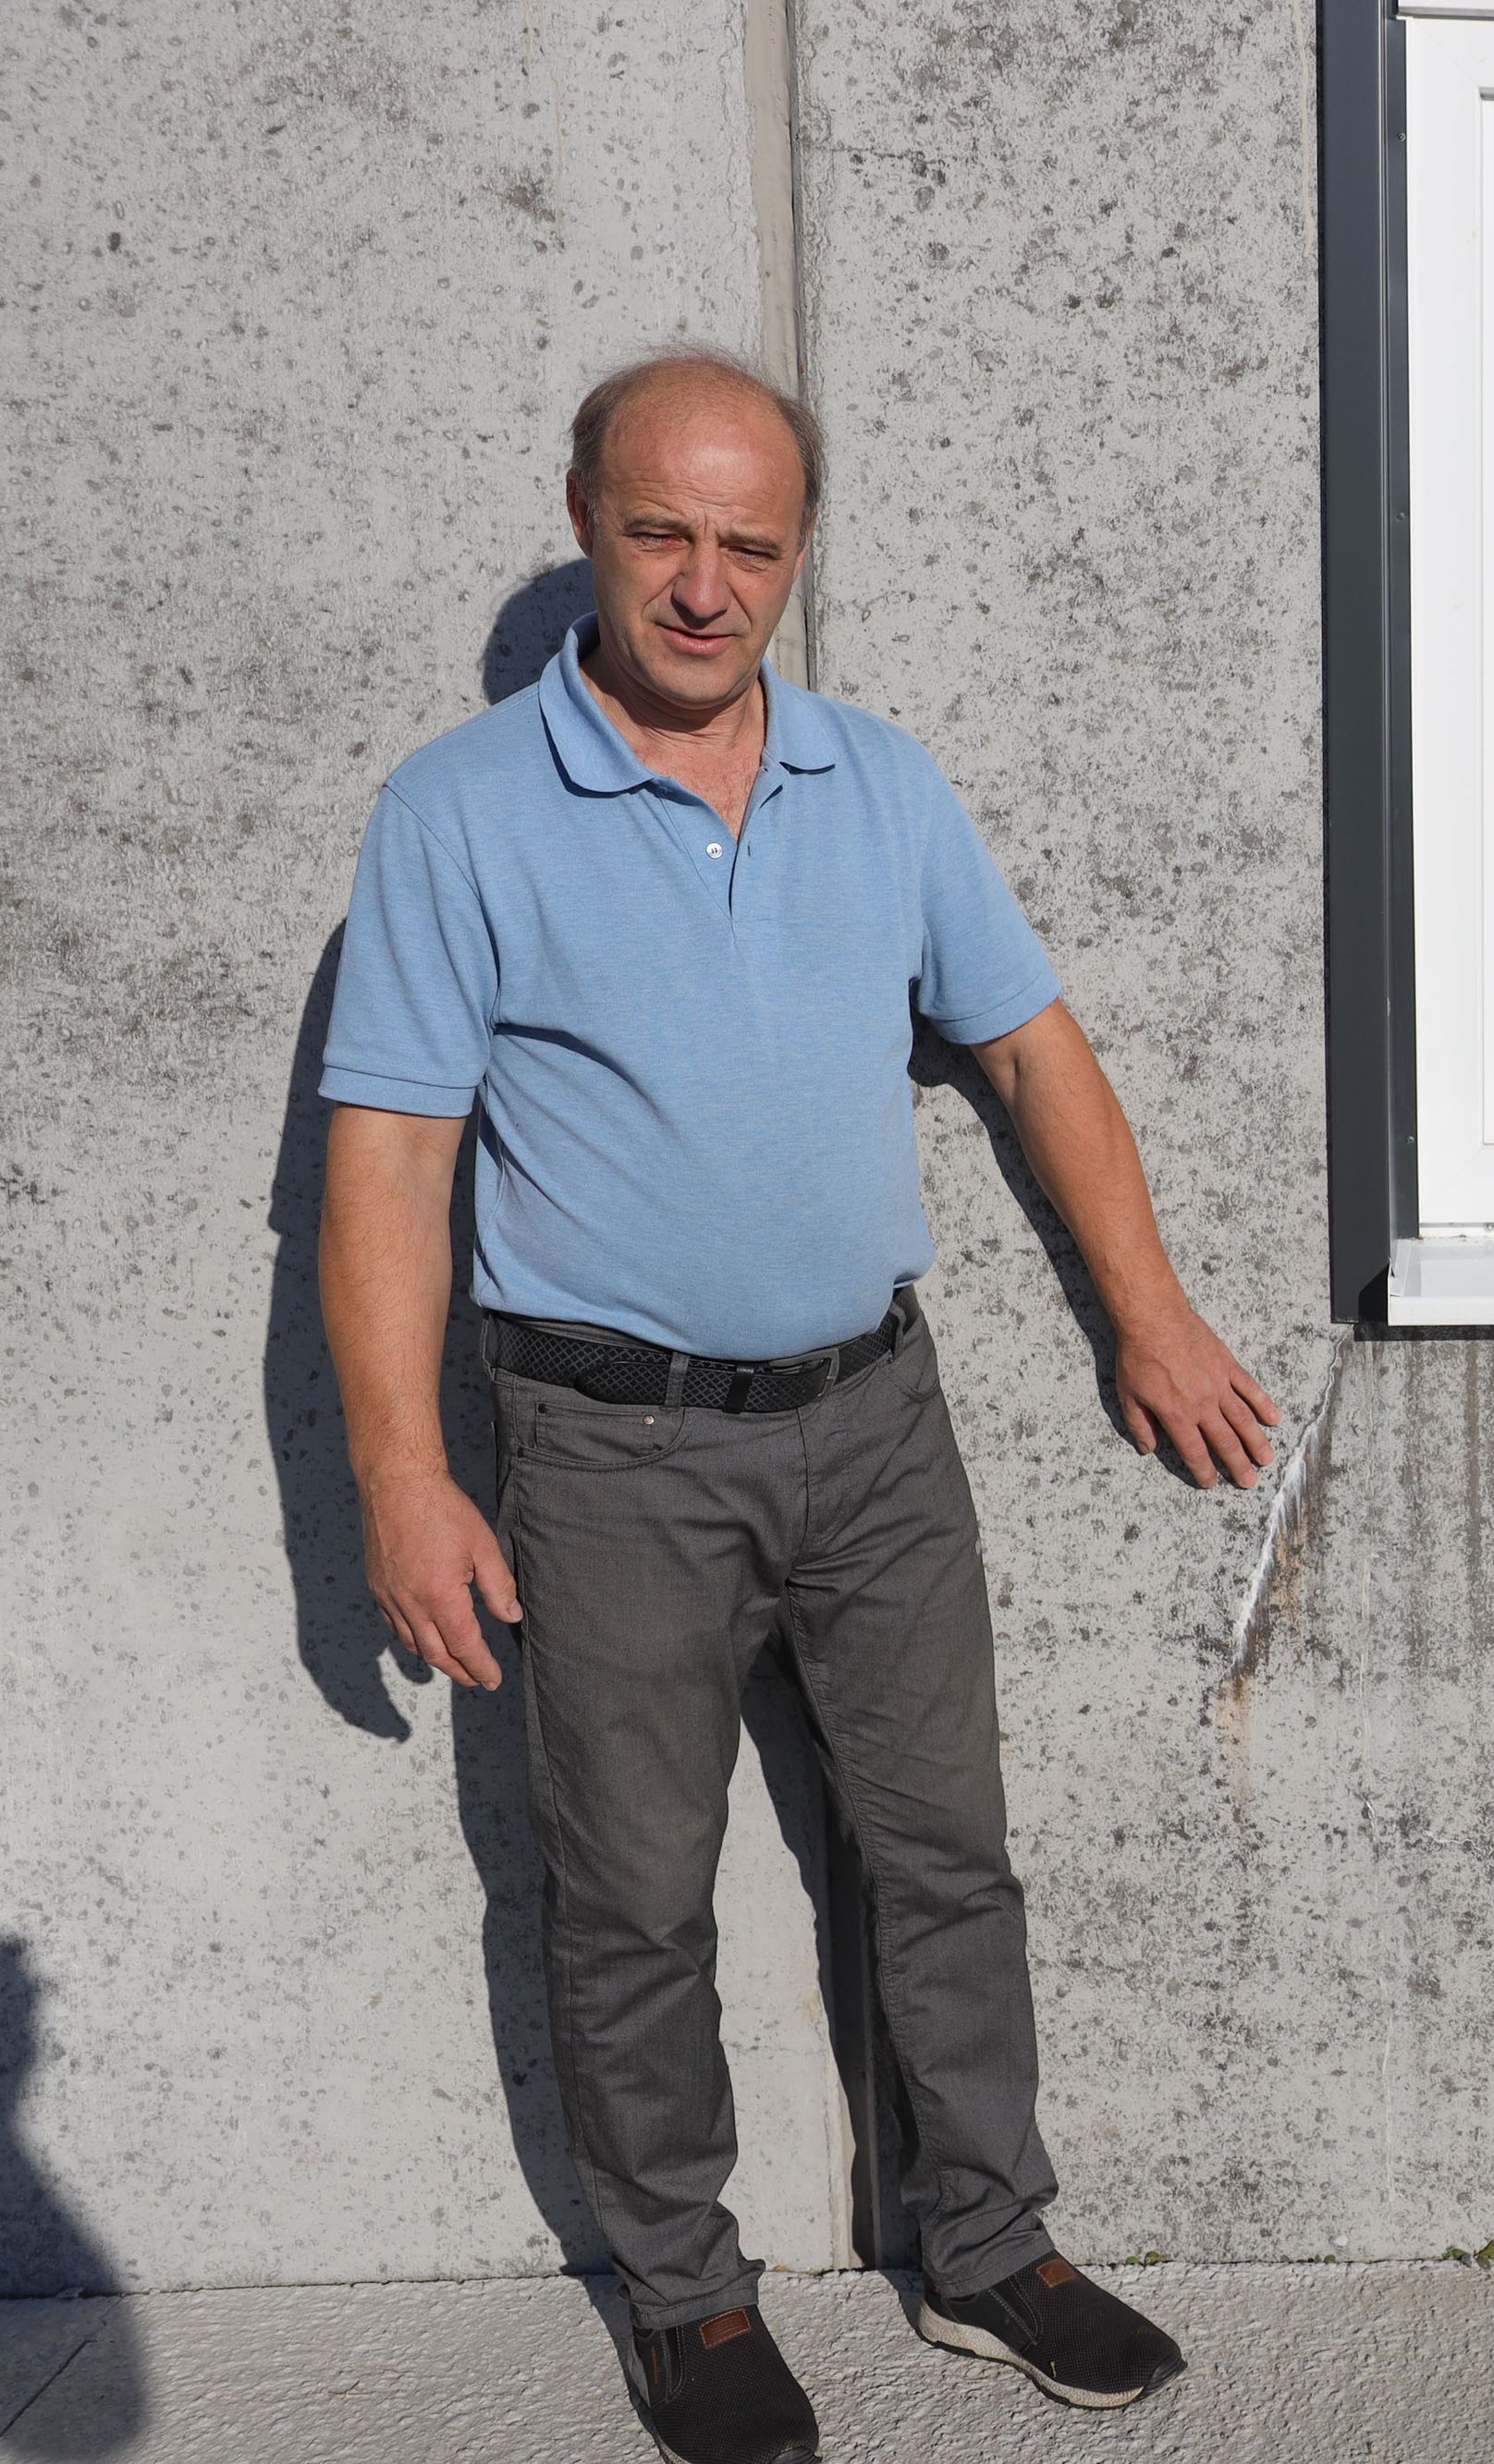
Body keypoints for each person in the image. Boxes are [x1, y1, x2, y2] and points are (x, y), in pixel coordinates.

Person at [318, 348, 1279, 2464]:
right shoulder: (458, 812)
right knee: (632, 1893)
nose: (702, 582)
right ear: (586, 516)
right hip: (607, 1455)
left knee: (944, 1855)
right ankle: (684, 2292)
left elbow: (1027, 1049)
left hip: (877, 1427)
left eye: (749, 542)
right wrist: (401, 1468)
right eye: (662, 529)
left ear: (797, 555)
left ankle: (988, 2242)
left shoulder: (881, 783)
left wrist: (1151, 1315)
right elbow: (387, 1154)